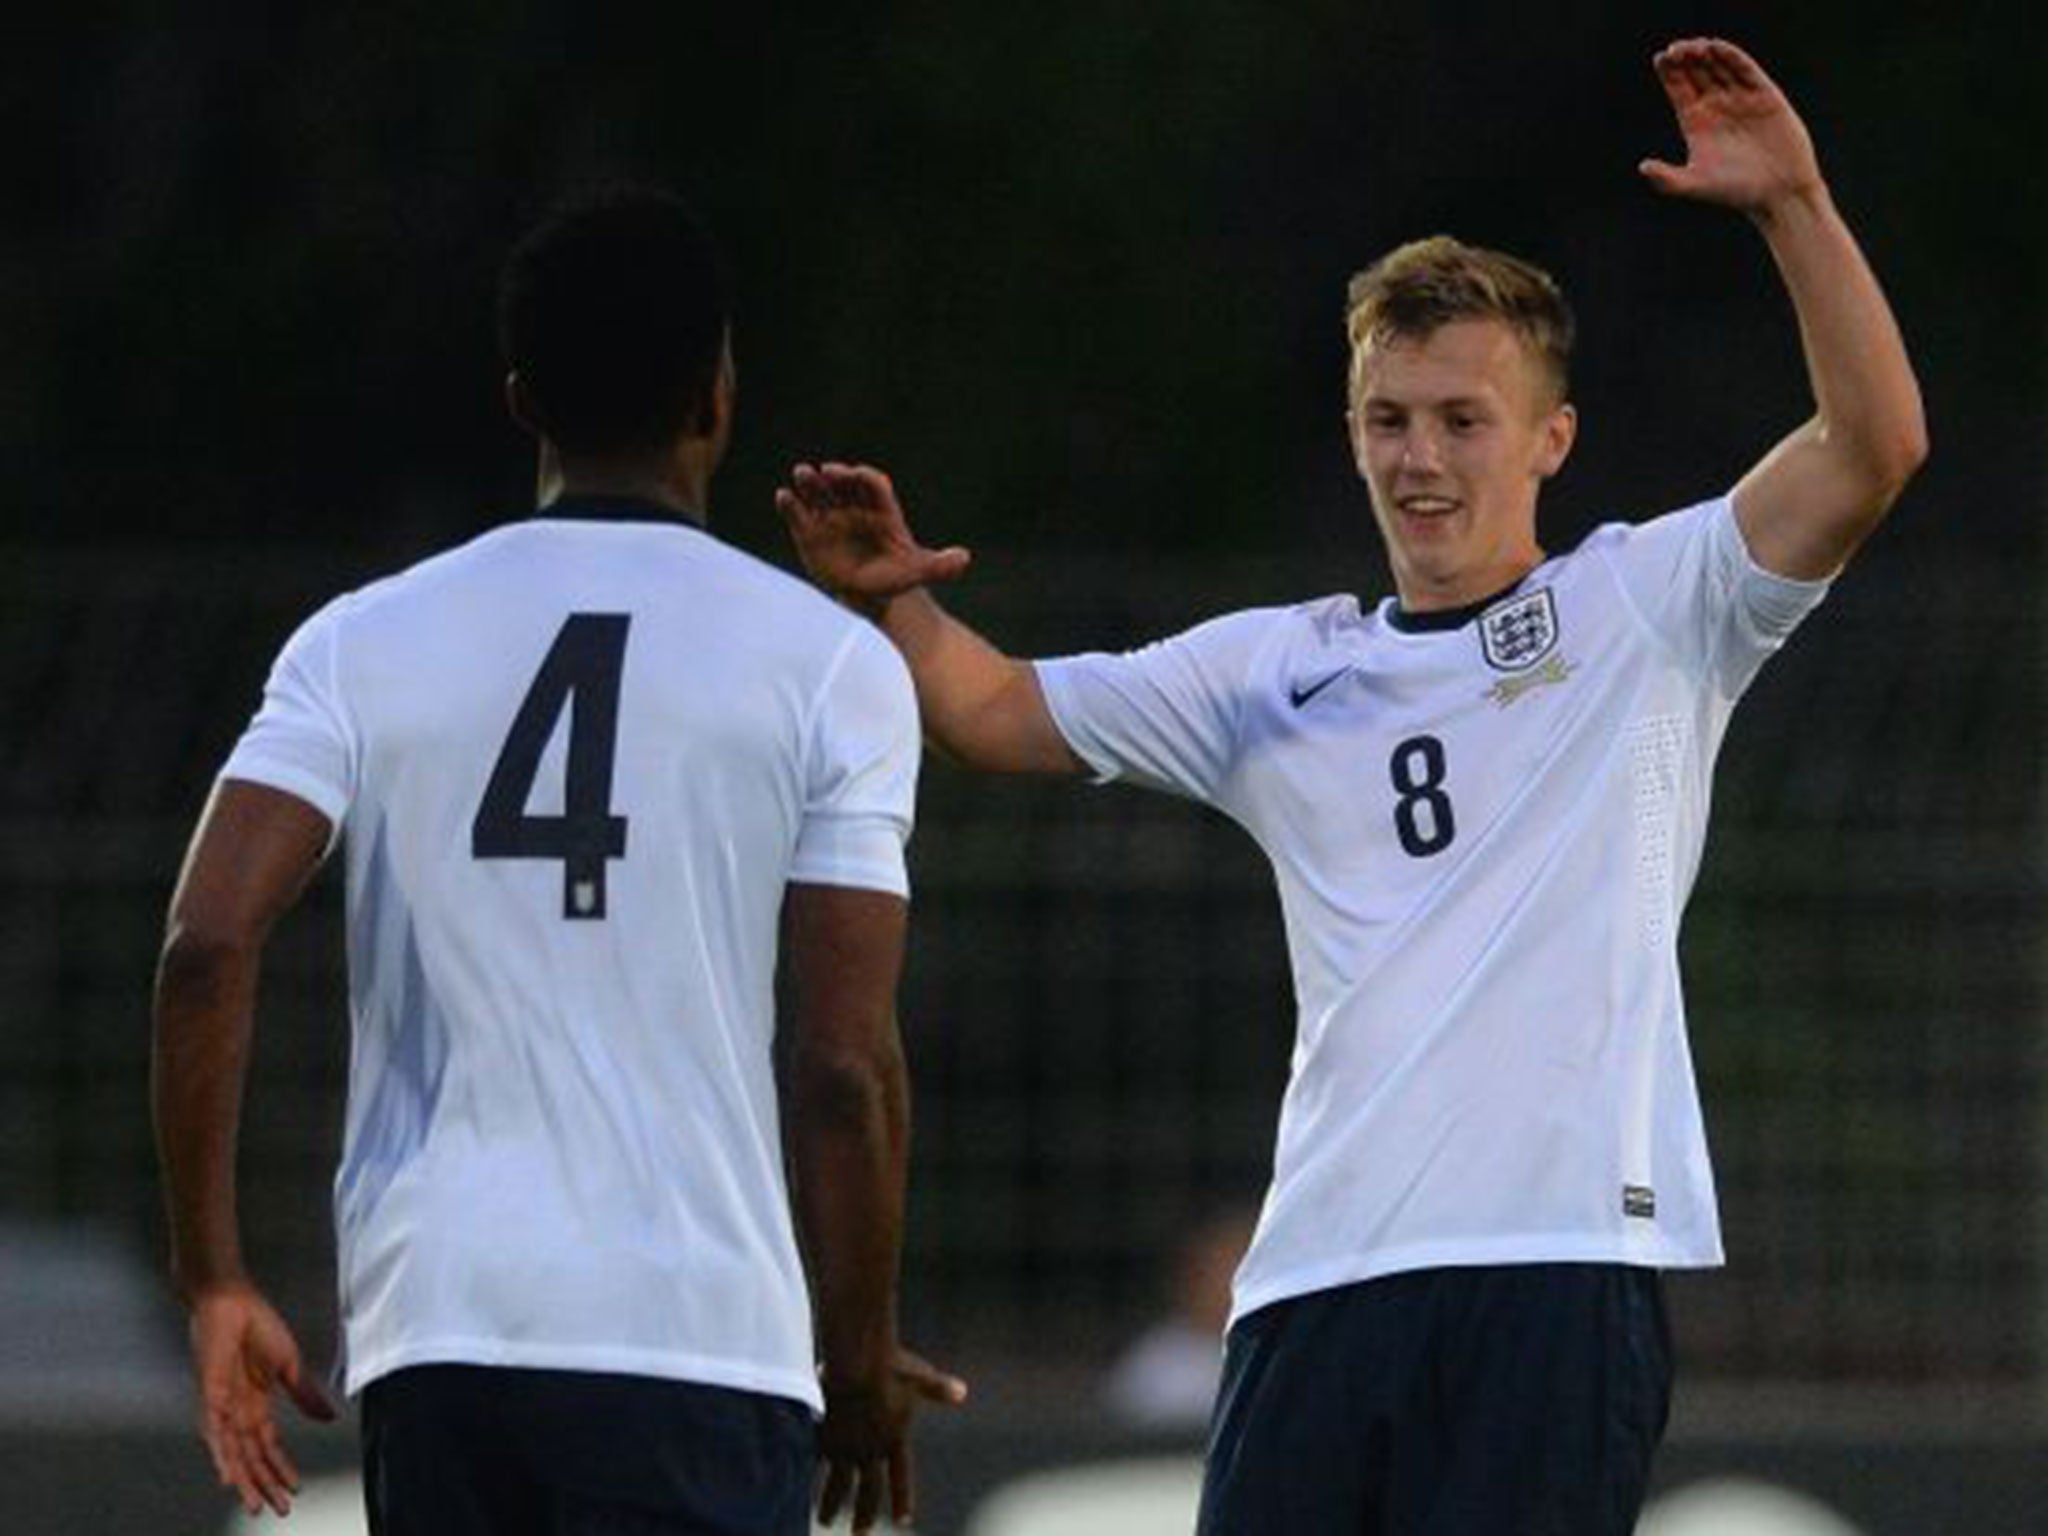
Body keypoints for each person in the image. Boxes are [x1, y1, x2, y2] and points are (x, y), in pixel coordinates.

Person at [778, 39, 1923, 1533]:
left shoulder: (1647, 608)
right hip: (1321, 1277)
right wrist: (890, 605)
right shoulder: (1276, 672)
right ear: (1352, 436)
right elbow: (994, 711)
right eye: (1391, 421)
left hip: (1554, 1269)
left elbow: (1874, 445)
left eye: (1464, 420)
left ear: (1551, 441)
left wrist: (1797, 208)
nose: (1422, 458)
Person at [152, 185, 964, 1536]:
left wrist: (214, 1278)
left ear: (521, 399)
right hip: (699, 1342)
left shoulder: (363, 639)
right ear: (717, 396)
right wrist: (857, 1352)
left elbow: (206, 943)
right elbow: (842, 1066)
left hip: (444, 1334)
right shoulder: (827, 663)